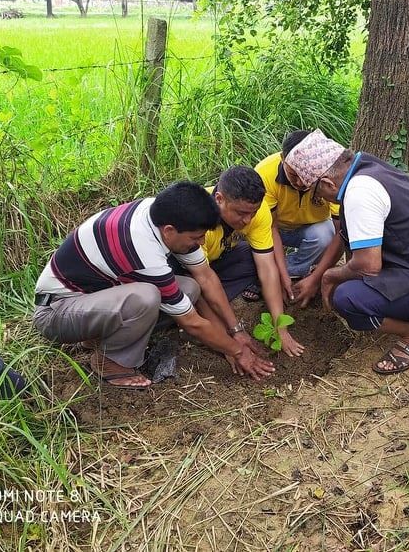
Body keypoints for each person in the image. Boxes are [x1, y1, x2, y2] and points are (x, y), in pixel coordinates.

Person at [33, 181, 275, 390]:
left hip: (95, 299)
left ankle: (97, 337)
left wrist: (235, 331)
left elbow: (205, 276)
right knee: (146, 296)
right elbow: (191, 323)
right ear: (169, 231)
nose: (201, 242)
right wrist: (237, 351)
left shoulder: (162, 216)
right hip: (57, 312)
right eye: (196, 237)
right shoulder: (142, 248)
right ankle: (108, 362)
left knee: (189, 288)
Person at [284, 130, 409, 375]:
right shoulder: (368, 167)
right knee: (353, 283)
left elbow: (367, 265)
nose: (320, 199)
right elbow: (352, 240)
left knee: (348, 298)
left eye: (317, 193)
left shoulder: (359, 193)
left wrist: (331, 276)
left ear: (328, 184)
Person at [201, 166, 305, 356]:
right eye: (240, 213)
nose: (248, 220)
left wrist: (280, 327)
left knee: (252, 256)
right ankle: (204, 321)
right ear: (219, 199)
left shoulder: (258, 210)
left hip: (216, 260)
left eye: (253, 213)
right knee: (195, 290)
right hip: (185, 273)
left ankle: (215, 307)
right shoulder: (198, 221)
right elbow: (202, 280)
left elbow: (267, 268)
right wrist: (228, 341)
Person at [255, 130, 343, 308]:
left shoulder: (329, 174)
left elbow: (341, 233)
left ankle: (287, 272)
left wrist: (319, 277)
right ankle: (275, 274)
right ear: (282, 158)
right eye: (293, 174)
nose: (301, 182)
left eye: (305, 175)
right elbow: (270, 229)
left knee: (325, 233)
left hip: (311, 228)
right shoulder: (264, 173)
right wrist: (280, 277)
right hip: (276, 229)